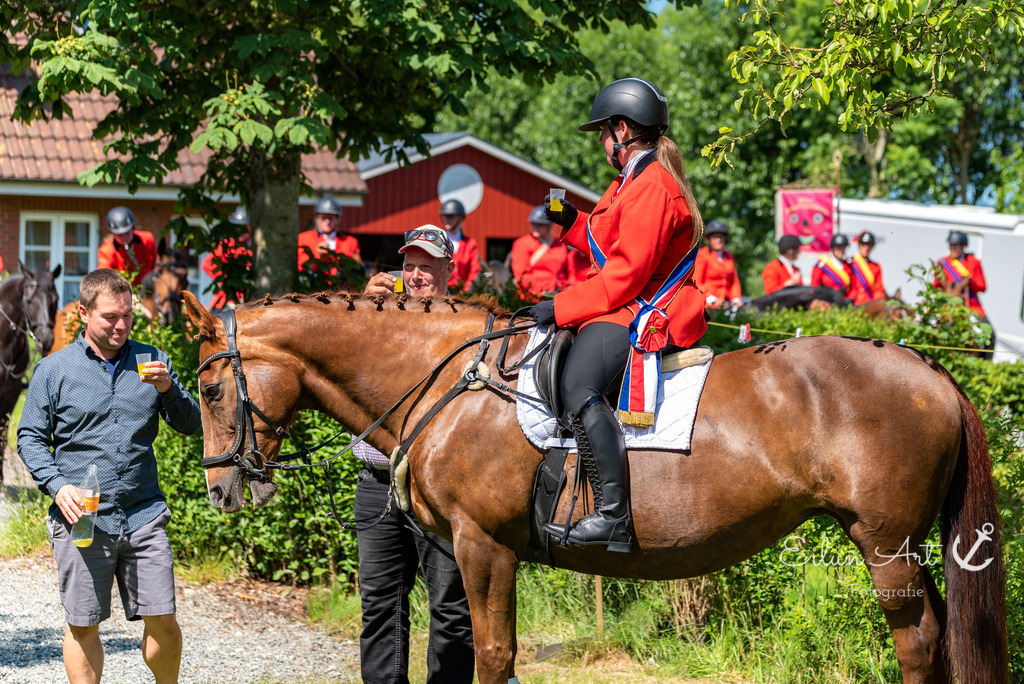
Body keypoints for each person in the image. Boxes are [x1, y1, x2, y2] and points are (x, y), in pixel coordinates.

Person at [531, 77, 707, 553]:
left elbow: (626, 274)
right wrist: (572, 222)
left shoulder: (652, 185)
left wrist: (561, 307)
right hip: (626, 300)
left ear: (622, 130)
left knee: (578, 384)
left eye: (604, 133)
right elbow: (611, 242)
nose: (603, 144)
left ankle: (613, 516)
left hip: (644, 309)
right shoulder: (631, 182)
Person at [18, 268, 201, 684]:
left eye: (127, 317)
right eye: (109, 318)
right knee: (83, 625)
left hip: (143, 514)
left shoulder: (152, 362)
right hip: (81, 517)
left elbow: (191, 424)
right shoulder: (53, 370)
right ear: (83, 313)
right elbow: (28, 437)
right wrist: (57, 485)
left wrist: (169, 389)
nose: (120, 326)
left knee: (164, 622)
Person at [357, 225, 474, 683]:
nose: (417, 275)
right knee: (380, 603)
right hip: (377, 479)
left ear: (450, 269)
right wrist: (364, 310)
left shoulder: (463, 324)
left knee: (450, 605)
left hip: (440, 485)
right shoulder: (378, 314)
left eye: (427, 267)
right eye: (409, 266)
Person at [509, 205, 570, 302]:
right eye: (533, 224)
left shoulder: (560, 245)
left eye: (540, 225)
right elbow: (521, 275)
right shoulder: (522, 244)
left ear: (549, 226)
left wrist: (563, 286)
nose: (535, 228)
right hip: (531, 297)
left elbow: (566, 272)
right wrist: (545, 288)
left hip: (557, 296)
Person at [201, 205, 253, 310]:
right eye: (237, 227)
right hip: (226, 301)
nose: (240, 231)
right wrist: (225, 278)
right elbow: (207, 264)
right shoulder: (227, 244)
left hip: (250, 300)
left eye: (244, 226)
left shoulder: (256, 246)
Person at [97, 206, 158, 287]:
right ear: (113, 234)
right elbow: (104, 279)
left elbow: (156, 266)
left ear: (133, 228)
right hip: (124, 292)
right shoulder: (106, 251)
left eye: (127, 233)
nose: (124, 238)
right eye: (119, 235)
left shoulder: (147, 239)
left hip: (149, 289)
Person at [297, 197, 362, 271]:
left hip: (341, 281)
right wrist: (317, 254)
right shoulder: (303, 238)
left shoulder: (350, 242)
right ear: (317, 219)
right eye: (323, 218)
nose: (327, 221)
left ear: (337, 219)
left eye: (330, 218)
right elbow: (301, 266)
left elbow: (358, 268)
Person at [934, 230, 987, 317]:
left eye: (956, 246)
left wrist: (969, 281)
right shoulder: (943, 262)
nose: (952, 248)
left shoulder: (973, 262)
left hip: (970, 305)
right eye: (951, 245)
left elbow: (982, 287)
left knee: (986, 329)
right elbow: (936, 285)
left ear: (963, 246)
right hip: (946, 305)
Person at [693, 220, 742, 308]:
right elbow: (697, 282)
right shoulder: (702, 254)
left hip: (726, 302)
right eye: (715, 237)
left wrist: (736, 298)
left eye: (721, 237)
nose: (718, 240)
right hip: (708, 302)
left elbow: (734, 281)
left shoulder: (728, 256)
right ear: (709, 239)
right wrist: (712, 299)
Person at [438, 199, 480, 291]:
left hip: (462, 294)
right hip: (440, 292)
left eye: (450, 216)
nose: (446, 219)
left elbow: (474, 271)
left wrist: (465, 291)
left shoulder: (470, 243)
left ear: (461, 218)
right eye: (444, 216)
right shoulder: (438, 240)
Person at [847, 231, 885, 305]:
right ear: (859, 245)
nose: (866, 247)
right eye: (863, 244)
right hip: (852, 303)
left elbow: (878, 290)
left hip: (868, 304)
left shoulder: (876, 267)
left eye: (869, 245)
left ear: (872, 247)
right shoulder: (850, 263)